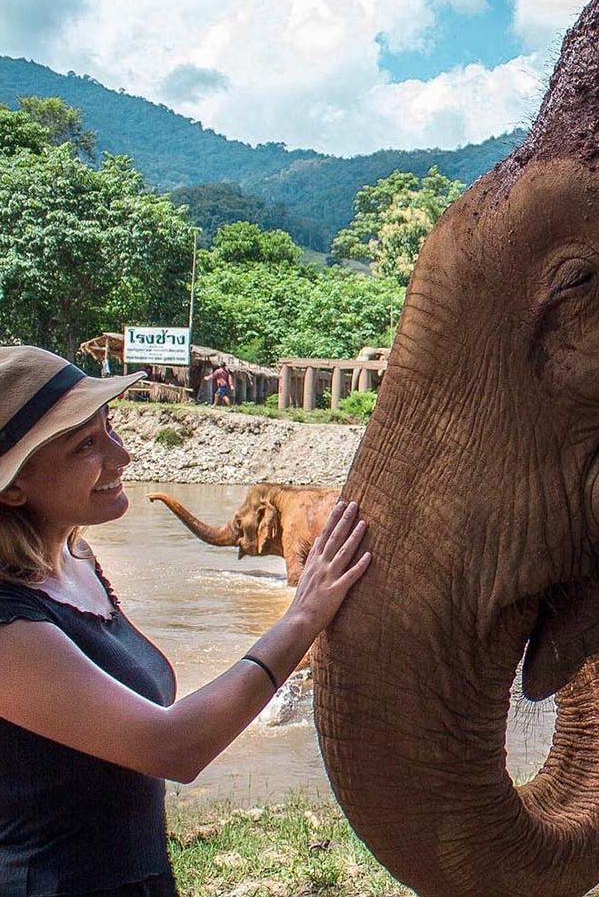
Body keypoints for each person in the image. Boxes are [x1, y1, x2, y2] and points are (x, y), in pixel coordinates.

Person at [0, 346, 370, 896]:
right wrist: (303, 618)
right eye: (86, 445)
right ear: (12, 486)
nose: (122, 456)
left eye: (111, 427)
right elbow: (172, 746)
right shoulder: (8, 626)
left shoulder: (78, 563)